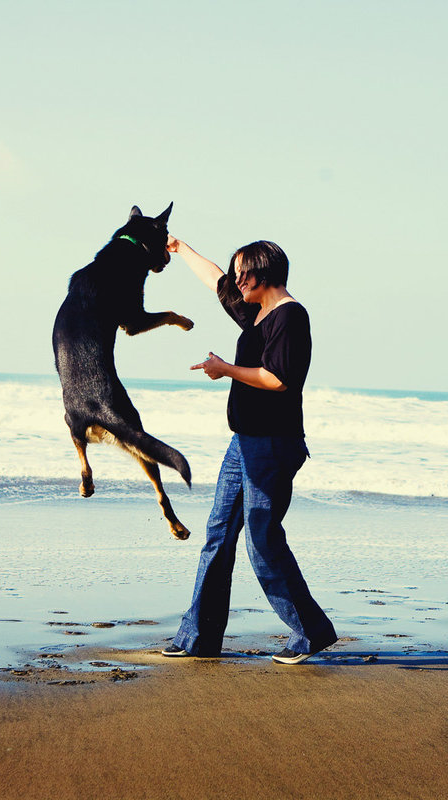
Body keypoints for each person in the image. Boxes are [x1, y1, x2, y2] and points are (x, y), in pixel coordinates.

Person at [161, 235, 338, 665]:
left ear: (266, 272)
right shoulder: (255, 314)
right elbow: (215, 281)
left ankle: (310, 632)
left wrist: (225, 370)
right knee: (218, 535)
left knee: (262, 540)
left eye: (245, 273)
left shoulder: (290, 317)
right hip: (242, 444)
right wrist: (179, 248)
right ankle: (197, 638)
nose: (237, 280)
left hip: (274, 447)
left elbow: (278, 378)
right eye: (237, 272)